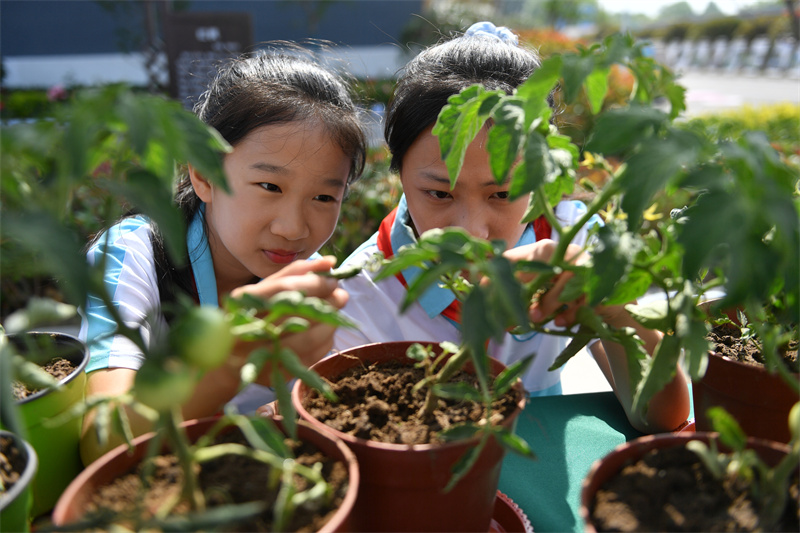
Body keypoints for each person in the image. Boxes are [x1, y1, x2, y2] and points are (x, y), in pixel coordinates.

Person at [332, 22, 690, 434]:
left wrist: (612, 307)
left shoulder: (575, 244)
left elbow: (661, 417)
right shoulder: (362, 291)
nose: (472, 232)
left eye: (502, 195)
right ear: (399, 174)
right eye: (439, 194)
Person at [79, 49, 367, 464]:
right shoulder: (131, 255)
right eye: (269, 186)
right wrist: (233, 358)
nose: (294, 227)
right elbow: (102, 440)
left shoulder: (311, 278)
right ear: (204, 175)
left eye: (324, 197)